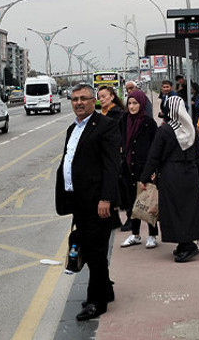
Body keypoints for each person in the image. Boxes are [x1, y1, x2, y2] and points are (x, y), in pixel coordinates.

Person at [55, 83, 122, 321]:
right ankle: (106, 290)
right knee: (89, 247)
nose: (79, 103)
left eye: (83, 98)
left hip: (97, 201)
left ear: (94, 101)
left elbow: (112, 166)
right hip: (78, 202)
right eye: (74, 99)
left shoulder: (106, 126)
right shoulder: (73, 128)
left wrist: (106, 198)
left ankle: (97, 302)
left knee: (94, 251)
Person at [140, 95, 199, 263]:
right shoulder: (191, 128)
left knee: (174, 211)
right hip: (190, 175)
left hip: (171, 175)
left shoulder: (164, 130)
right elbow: (198, 156)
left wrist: (145, 177)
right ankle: (186, 242)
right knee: (189, 210)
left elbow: (154, 156)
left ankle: (186, 245)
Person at [118, 89, 160, 249]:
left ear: (141, 103)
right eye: (129, 103)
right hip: (128, 168)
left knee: (149, 203)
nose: (132, 106)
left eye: (135, 103)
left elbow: (155, 148)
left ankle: (152, 235)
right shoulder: (124, 120)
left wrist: (152, 170)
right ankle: (135, 234)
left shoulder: (149, 123)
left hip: (145, 168)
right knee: (132, 204)